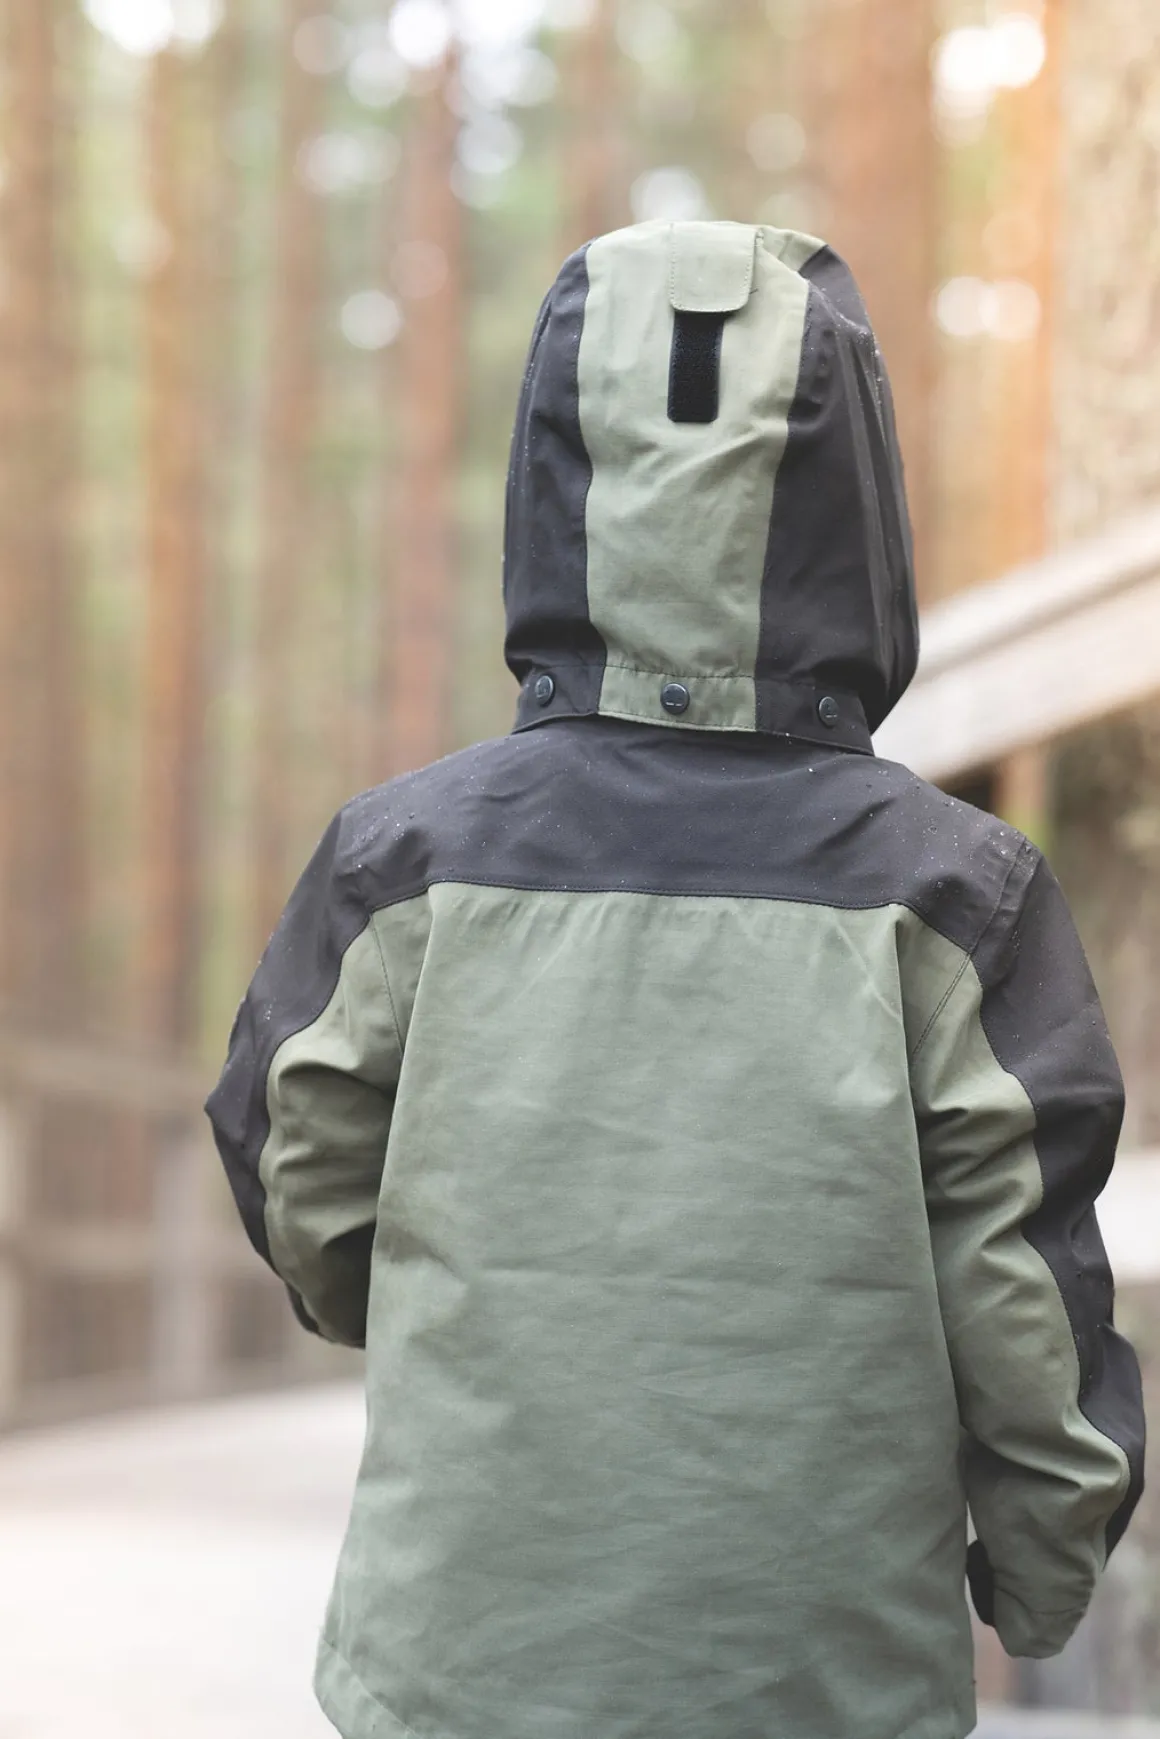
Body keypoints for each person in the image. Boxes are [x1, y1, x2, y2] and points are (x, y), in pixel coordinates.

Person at [207, 220, 1145, 1739]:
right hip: (826, 1676)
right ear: (857, 503)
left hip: (462, 1660)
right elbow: (1025, 1286)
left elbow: (292, 1166)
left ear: (551, 476)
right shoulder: (955, 893)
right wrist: (1040, 1573)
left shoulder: (406, 862)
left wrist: (462, 1305)